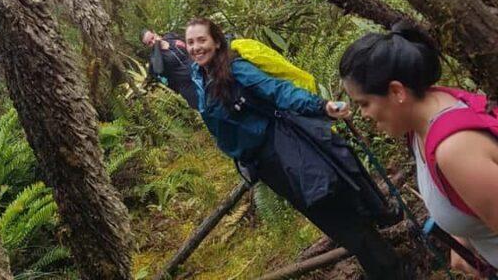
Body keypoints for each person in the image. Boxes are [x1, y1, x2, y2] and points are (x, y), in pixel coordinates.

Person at [185, 17, 404, 279]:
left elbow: (278, 90)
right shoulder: (201, 75)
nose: (196, 47)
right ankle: (382, 256)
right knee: (332, 216)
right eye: (190, 42)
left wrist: (321, 106)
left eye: (202, 40)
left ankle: (390, 270)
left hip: (286, 152)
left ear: (217, 41)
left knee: (334, 214)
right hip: (268, 164)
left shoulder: (237, 70)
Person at [340, 22, 498, 277]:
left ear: (396, 91)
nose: (364, 114)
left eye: (364, 103)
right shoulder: (422, 124)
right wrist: (462, 239)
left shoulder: (455, 149)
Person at [141, 28, 198, 109]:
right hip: (190, 88)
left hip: (201, 73)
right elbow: (158, 70)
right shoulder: (155, 58)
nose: (153, 42)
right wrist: (157, 44)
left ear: (155, 32)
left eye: (152, 38)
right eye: (150, 43)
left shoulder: (170, 37)